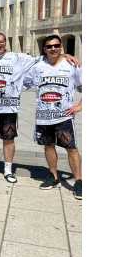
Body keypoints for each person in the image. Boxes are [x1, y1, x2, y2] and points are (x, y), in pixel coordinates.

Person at [0, 33, 78, 183]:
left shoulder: (18, 58)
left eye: (2, 42)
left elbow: (44, 57)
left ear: (5, 43)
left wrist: (65, 55)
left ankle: (8, 171)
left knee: (9, 140)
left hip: (9, 109)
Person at [24, 35, 82, 199]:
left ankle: (78, 181)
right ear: (44, 49)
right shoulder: (37, 66)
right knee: (48, 146)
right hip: (43, 116)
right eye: (49, 46)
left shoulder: (71, 65)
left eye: (56, 45)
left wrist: (80, 106)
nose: (53, 49)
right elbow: (23, 80)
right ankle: (54, 176)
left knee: (71, 148)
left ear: (61, 46)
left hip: (64, 116)